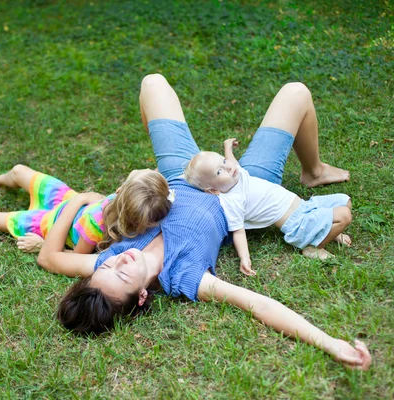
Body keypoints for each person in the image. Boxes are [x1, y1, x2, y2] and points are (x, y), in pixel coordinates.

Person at [37, 74, 371, 370]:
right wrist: (330, 343)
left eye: (107, 267)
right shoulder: (184, 277)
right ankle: (312, 173)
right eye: (122, 273)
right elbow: (258, 304)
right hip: (242, 191)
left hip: (178, 173)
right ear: (141, 296)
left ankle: (314, 170)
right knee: (296, 93)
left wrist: (78, 199)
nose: (118, 259)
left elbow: (48, 258)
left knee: (152, 83)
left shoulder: (108, 261)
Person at [0, 164, 171, 253]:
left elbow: (74, 258)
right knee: (18, 171)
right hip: (67, 200)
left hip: (50, 223)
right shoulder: (139, 199)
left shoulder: (94, 227)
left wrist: (42, 245)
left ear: (121, 192)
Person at [183, 137, 352, 275]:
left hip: (306, 206)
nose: (228, 167)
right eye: (219, 171)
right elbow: (238, 231)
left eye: (224, 161)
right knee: (344, 215)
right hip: (298, 222)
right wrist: (244, 258)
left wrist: (227, 148)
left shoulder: (238, 175)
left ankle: (327, 231)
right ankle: (313, 247)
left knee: (345, 201)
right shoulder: (231, 200)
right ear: (213, 189)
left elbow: (233, 162)